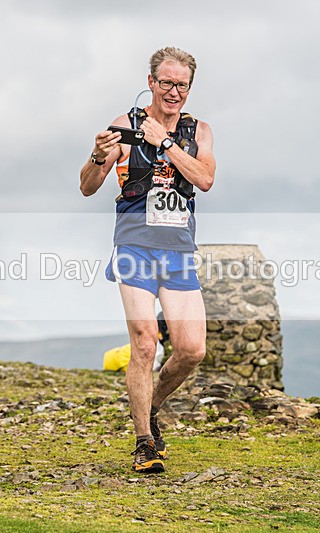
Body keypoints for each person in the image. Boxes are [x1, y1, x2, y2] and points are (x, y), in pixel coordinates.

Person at [80, 47, 216, 473]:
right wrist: (98, 156)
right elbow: (87, 186)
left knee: (192, 349)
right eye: (166, 83)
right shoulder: (126, 126)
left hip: (178, 248)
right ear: (151, 82)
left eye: (182, 85)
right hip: (135, 244)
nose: (174, 92)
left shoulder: (199, 131)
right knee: (144, 341)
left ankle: (151, 405)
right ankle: (143, 443)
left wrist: (168, 142)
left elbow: (205, 179)